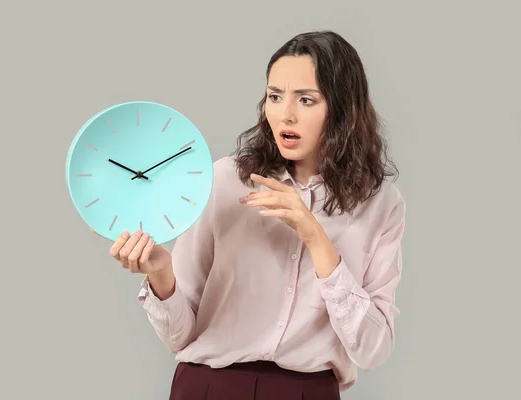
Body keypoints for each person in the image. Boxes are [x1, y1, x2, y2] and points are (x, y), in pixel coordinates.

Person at [107, 30, 406, 399]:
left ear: (343, 108)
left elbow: (373, 350)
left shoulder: (381, 205)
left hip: (308, 391)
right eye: (275, 96)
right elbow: (179, 336)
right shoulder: (226, 181)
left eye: (306, 100)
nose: (286, 114)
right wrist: (160, 274)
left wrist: (315, 237)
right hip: (208, 386)